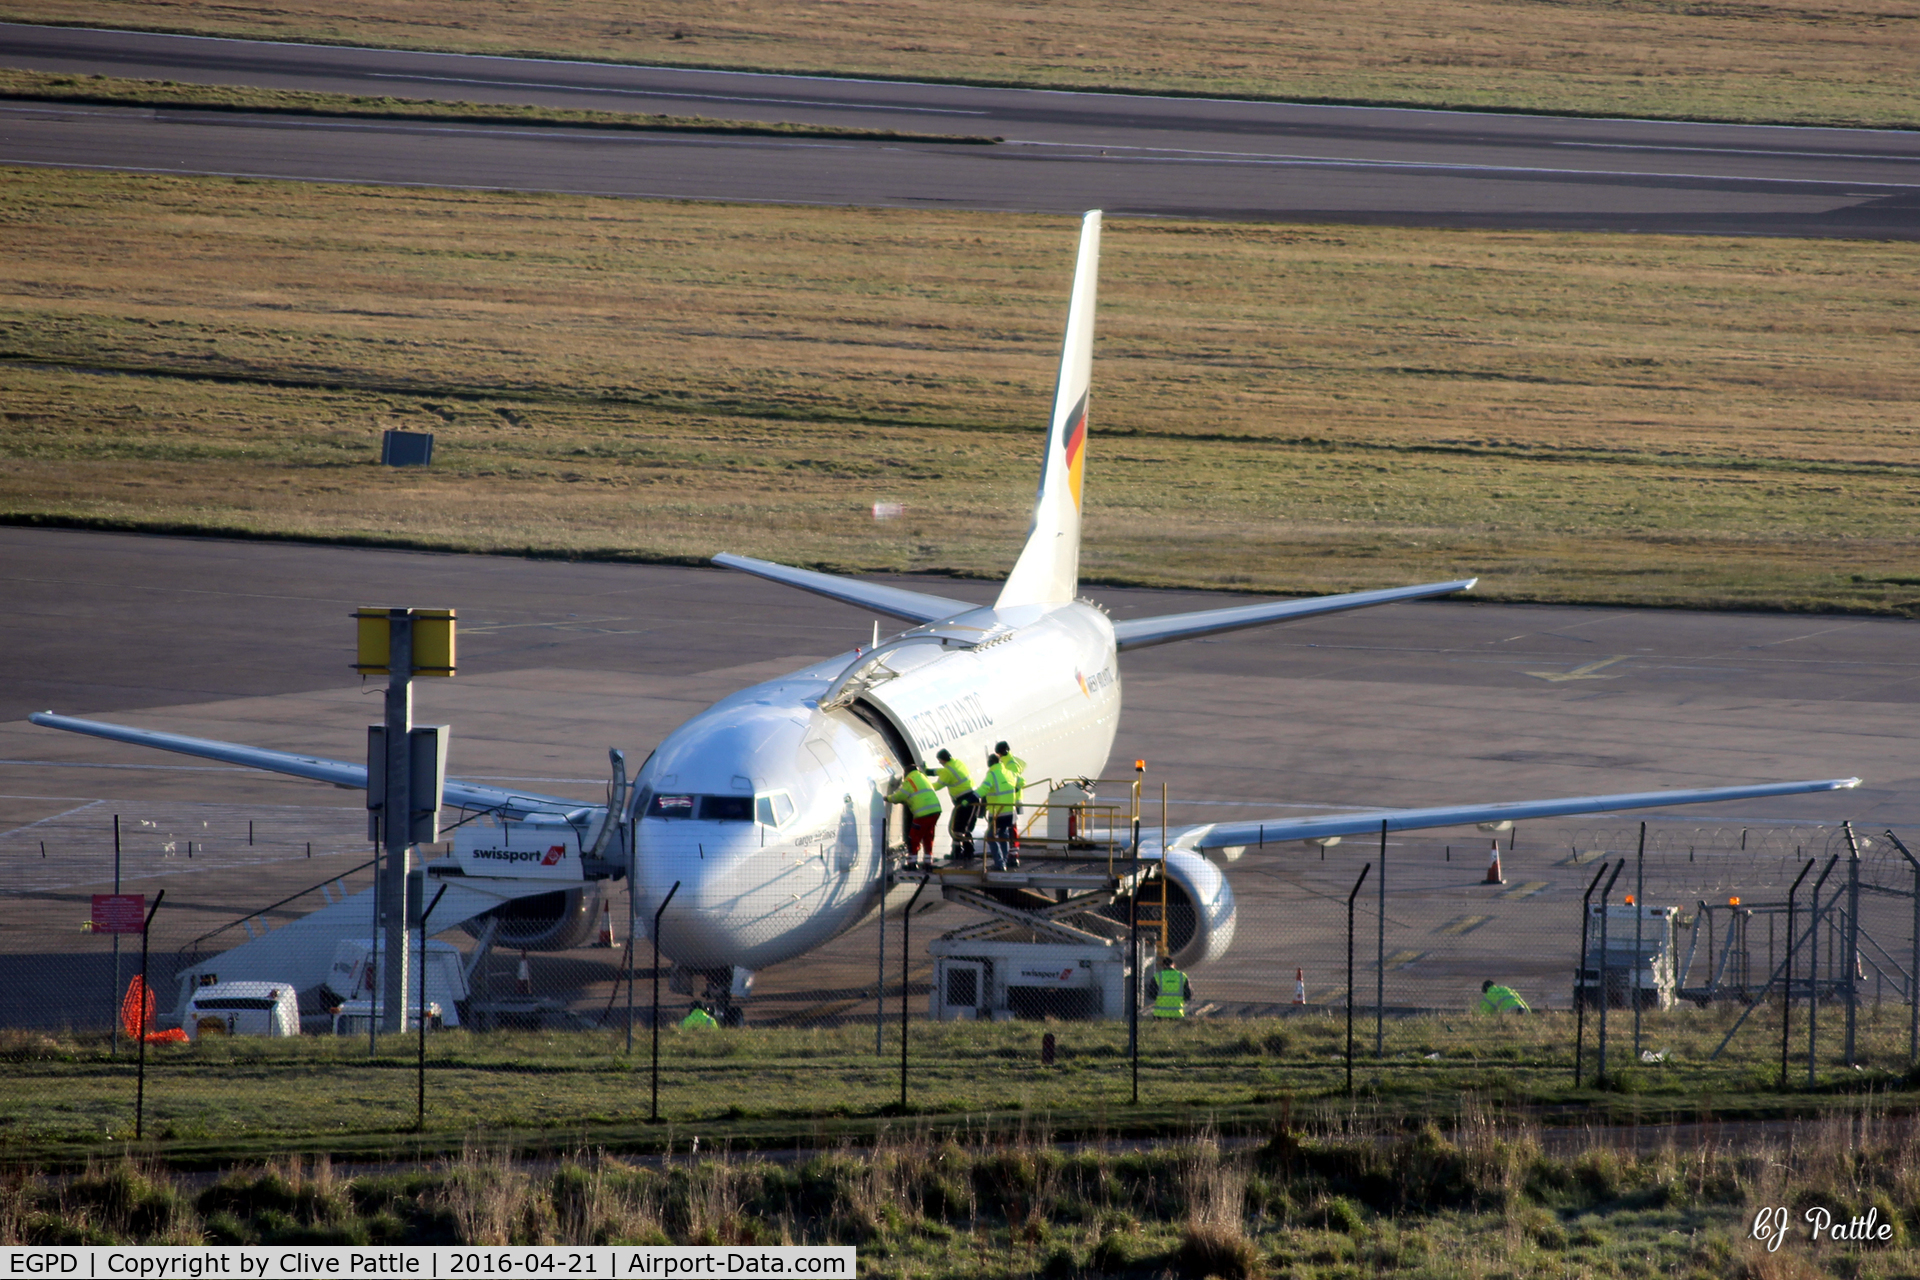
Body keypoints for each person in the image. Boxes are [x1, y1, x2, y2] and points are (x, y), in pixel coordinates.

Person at [930, 748, 981, 862]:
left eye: (939, 761)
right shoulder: (957, 762)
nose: (940, 763)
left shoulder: (947, 772)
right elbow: (941, 771)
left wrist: (922, 785)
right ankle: (968, 851)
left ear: (942, 760)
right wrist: (929, 771)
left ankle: (956, 852)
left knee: (957, 828)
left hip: (964, 802)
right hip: (975, 797)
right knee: (966, 828)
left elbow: (936, 786)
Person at [887, 763, 942, 867]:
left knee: (914, 838)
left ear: (906, 773)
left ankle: (912, 863)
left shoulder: (909, 781)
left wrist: (887, 798)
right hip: (935, 811)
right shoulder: (922, 777)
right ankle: (928, 861)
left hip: (922, 814)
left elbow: (899, 796)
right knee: (928, 836)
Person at [979, 752, 1021, 871]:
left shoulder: (992, 774)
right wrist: (1015, 789)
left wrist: (972, 797)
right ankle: (1005, 861)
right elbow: (1021, 781)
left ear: (990, 763)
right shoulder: (1008, 772)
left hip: (997, 813)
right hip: (1010, 812)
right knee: (1003, 835)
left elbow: (983, 789)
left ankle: (1000, 864)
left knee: (990, 836)